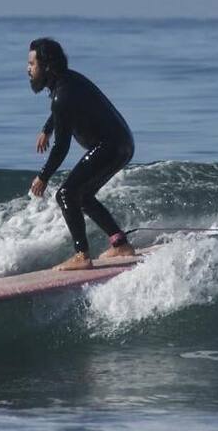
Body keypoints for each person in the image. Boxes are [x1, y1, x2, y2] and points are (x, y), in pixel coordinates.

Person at [27, 37, 137, 270]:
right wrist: (47, 129)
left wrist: (43, 176)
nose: (28, 69)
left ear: (46, 66)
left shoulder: (62, 94)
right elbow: (60, 113)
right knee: (83, 196)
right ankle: (120, 244)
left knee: (66, 194)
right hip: (122, 143)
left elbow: (62, 147)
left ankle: (81, 256)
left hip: (109, 146)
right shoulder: (68, 82)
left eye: (32, 64)